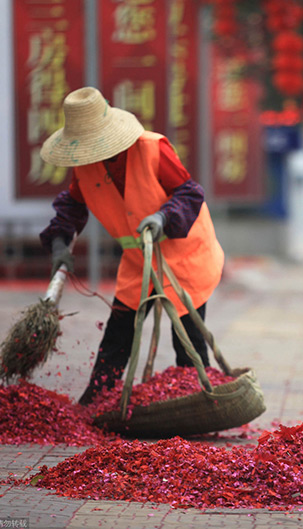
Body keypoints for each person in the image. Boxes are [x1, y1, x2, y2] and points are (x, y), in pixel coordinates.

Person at [39, 86, 224, 405]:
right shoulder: (85, 165)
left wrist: (163, 218)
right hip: (139, 258)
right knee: (118, 331)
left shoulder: (152, 148)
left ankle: (200, 403)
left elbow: (190, 193)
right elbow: (71, 207)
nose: (93, 153)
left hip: (185, 254)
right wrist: (59, 242)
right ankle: (97, 400)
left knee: (187, 338)